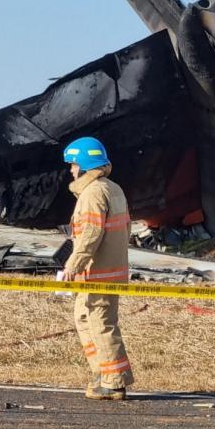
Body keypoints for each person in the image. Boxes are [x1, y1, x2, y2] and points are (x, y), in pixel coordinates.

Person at [61, 136, 134, 401]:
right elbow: (125, 229)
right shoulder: (114, 189)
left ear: (83, 164)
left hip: (98, 273)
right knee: (84, 319)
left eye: (73, 165)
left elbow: (90, 235)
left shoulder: (93, 193)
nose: (71, 170)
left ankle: (114, 382)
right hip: (107, 270)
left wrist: (73, 265)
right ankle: (102, 374)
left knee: (101, 323)